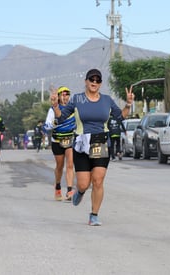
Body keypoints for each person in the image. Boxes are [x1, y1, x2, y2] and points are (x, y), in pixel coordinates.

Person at [50, 68, 134, 226]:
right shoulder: (77, 99)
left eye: (97, 80)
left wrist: (128, 104)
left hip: (101, 143)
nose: (94, 83)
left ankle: (94, 215)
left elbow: (120, 116)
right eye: (91, 80)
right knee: (83, 183)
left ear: (100, 84)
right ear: (86, 82)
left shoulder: (107, 100)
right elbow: (61, 119)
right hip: (82, 145)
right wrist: (55, 107)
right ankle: (80, 191)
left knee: (98, 180)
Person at [44, 86, 76, 201]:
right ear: (58, 96)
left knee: (70, 165)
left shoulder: (73, 108)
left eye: (67, 94)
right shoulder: (53, 109)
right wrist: (55, 123)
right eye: (62, 94)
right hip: (57, 141)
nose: (65, 96)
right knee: (60, 166)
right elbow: (46, 126)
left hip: (70, 140)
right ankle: (57, 187)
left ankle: (69, 190)